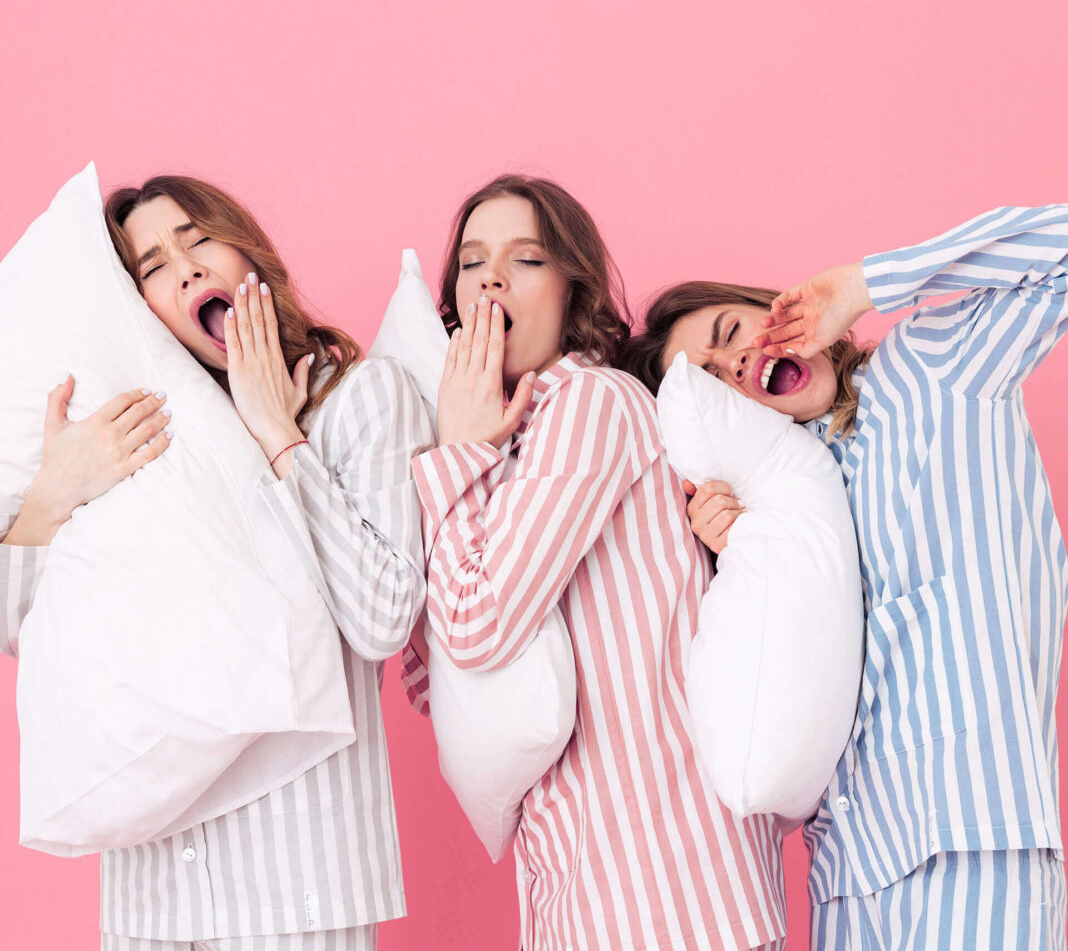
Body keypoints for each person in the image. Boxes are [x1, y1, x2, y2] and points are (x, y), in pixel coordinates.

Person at [618, 205, 1068, 949]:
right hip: (843, 880)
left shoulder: (929, 370)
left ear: (775, 306)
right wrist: (733, 555)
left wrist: (864, 285)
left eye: (731, 334)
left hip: (972, 839)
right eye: (712, 385)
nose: (734, 369)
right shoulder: (786, 509)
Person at [2, 175, 433, 951]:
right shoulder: (132, 433)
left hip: (298, 883)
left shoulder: (360, 397)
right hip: (150, 891)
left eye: (199, 239)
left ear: (247, 251)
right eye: (153, 267)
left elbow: (381, 619)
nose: (187, 269)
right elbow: (27, 637)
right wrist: (50, 498)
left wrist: (279, 437)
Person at [402, 175, 788, 951]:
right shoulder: (513, 444)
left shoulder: (593, 403)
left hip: (668, 894)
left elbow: (474, 631)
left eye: (526, 259)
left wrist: (456, 453)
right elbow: (434, 684)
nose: (492, 279)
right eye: (472, 263)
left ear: (573, 289)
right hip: (589, 891)